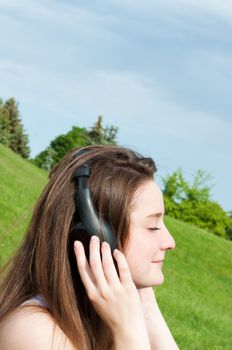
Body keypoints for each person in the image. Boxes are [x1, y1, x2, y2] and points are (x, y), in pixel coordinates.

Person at [0, 144, 179, 350]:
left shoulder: (108, 318)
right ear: (95, 235)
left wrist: (148, 309)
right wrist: (129, 333)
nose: (170, 242)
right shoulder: (33, 331)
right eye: (153, 227)